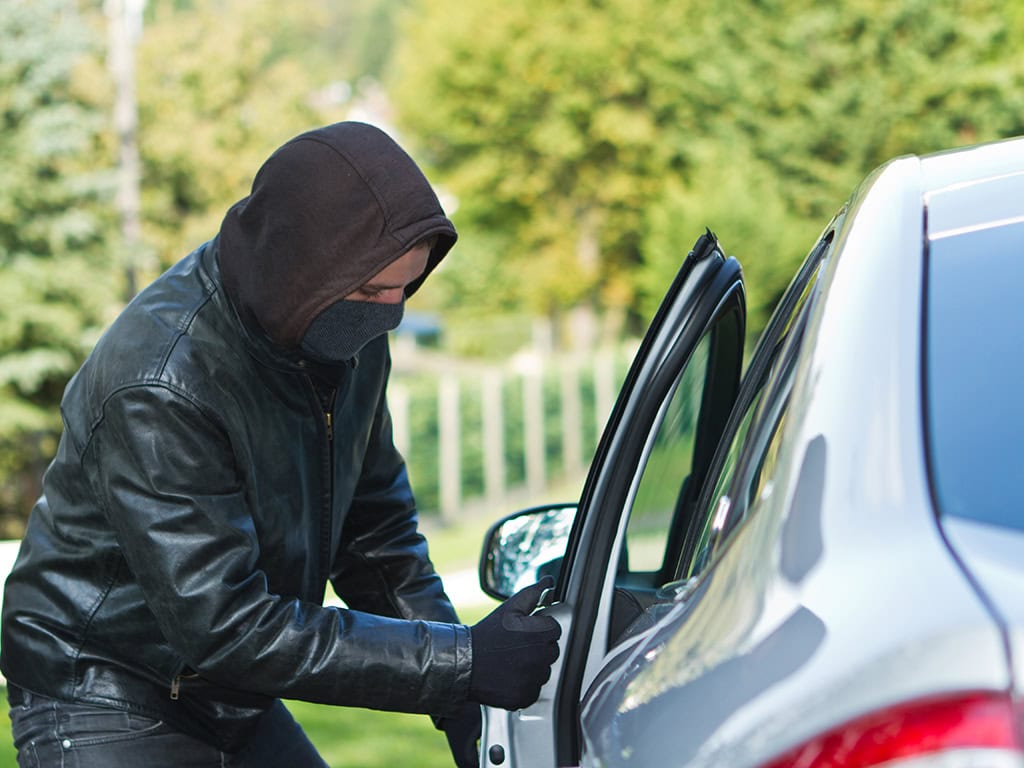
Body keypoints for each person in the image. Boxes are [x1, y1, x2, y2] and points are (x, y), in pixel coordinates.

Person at [0, 121, 561, 768]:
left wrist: (461, 701)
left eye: (406, 287)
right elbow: (224, 624)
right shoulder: (160, 383)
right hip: (107, 691)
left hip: (236, 689)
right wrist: (458, 665)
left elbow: (375, 537)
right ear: (303, 270)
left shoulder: (341, 333)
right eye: (373, 292)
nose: (391, 313)